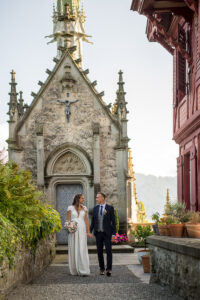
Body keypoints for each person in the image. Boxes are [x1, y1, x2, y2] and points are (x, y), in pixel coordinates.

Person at [90, 192, 116, 276]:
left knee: (109, 251)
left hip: (107, 233)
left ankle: (109, 269)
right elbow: (93, 221)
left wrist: (113, 234)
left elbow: (113, 222)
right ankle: (101, 268)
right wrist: (90, 231)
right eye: (96, 197)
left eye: (98, 197)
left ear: (102, 198)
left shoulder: (110, 208)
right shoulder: (95, 208)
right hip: (98, 233)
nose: (96, 199)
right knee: (99, 252)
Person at [66, 194, 92, 276]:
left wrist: (88, 232)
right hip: (73, 231)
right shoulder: (70, 208)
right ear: (78, 199)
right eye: (82, 198)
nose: (83, 199)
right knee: (74, 247)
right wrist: (69, 228)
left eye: (84, 198)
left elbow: (86, 220)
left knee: (82, 248)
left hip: (82, 230)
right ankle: (74, 269)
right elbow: (68, 220)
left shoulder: (84, 208)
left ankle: (83, 269)